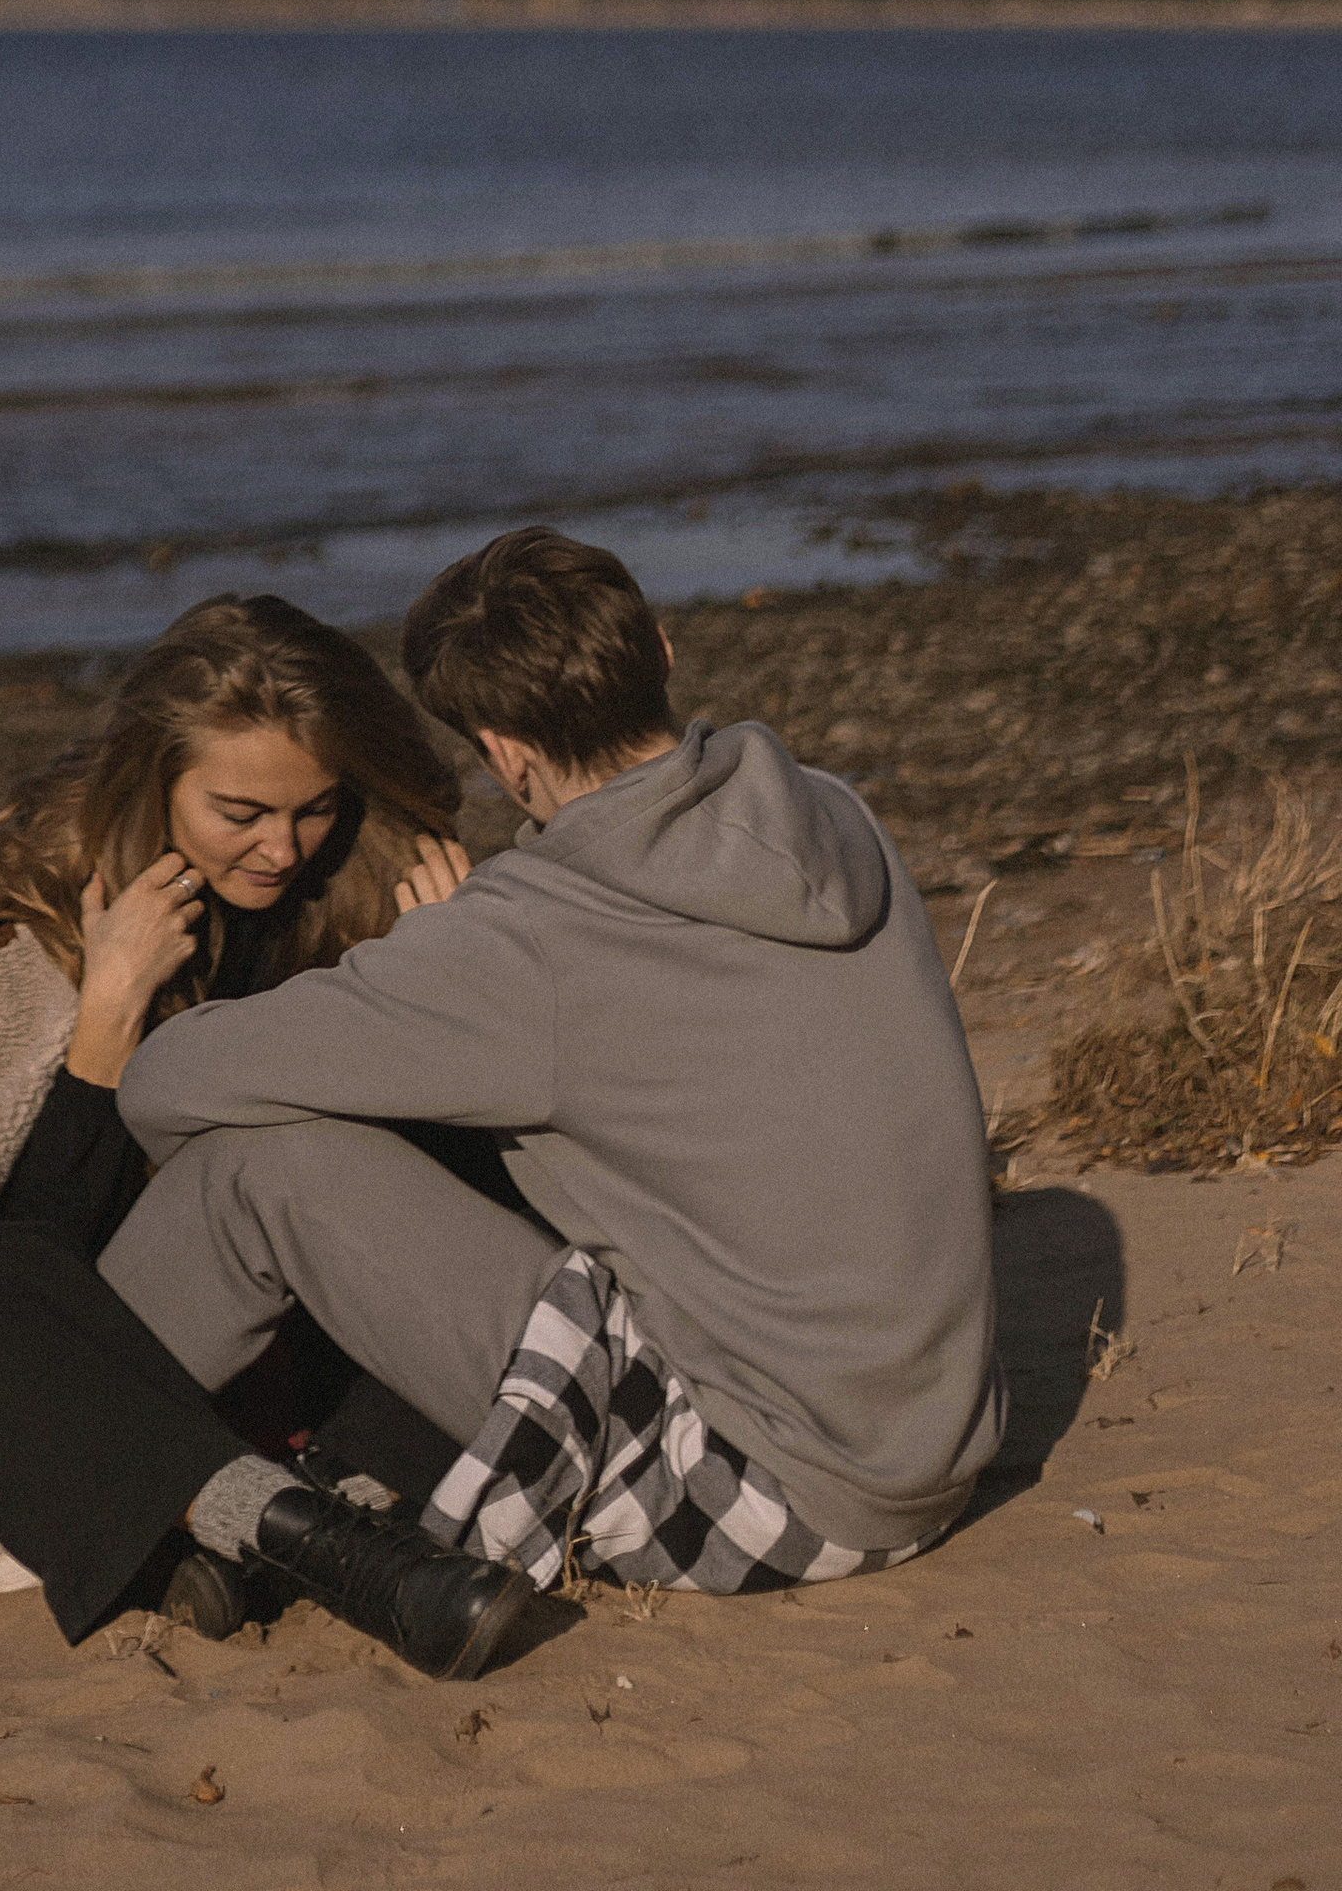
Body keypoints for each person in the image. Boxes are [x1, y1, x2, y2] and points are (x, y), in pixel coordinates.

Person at [89, 526, 1006, 1617]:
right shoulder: (829, 814)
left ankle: (49, 1458)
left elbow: (167, 1084)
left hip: (769, 1496)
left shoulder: (529, 941)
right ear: (660, 653)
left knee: (256, 1172)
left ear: (503, 751)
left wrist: (414, 967)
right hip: (940, 1446)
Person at [0, 589, 464, 1611]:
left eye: (315, 809)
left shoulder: (385, 910)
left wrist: (443, 989)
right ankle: (141, 1512)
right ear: (154, 783)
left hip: (274, 1370)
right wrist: (105, 1024)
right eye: (239, 815)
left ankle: (145, 1521)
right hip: (20, 1362)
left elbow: (433, 1211)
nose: (283, 851)